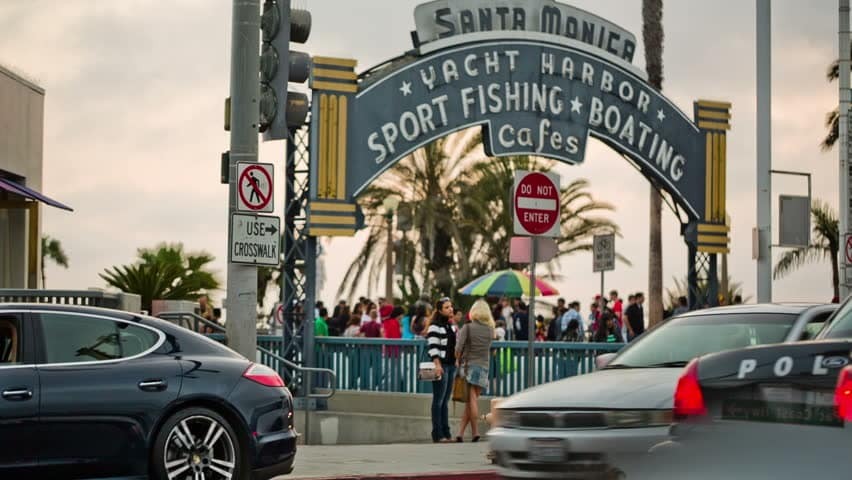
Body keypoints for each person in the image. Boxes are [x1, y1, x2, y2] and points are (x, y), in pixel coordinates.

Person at [455, 299, 494, 443]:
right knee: (471, 402)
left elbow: (458, 348)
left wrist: (457, 359)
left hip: (469, 366)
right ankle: (460, 433)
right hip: (484, 367)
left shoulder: (468, 328)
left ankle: (476, 432)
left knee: (471, 400)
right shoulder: (490, 330)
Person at [426, 297, 457, 443]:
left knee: (445, 401)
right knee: (438, 400)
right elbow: (433, 348)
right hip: (442, 366)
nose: (450, 309)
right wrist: (437, 364)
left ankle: (446, 432)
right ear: (439, 310)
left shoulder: (450, 326)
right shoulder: (435, 326)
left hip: (451, 366)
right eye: (446, 307)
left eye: (450, 306)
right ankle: (437, 434)